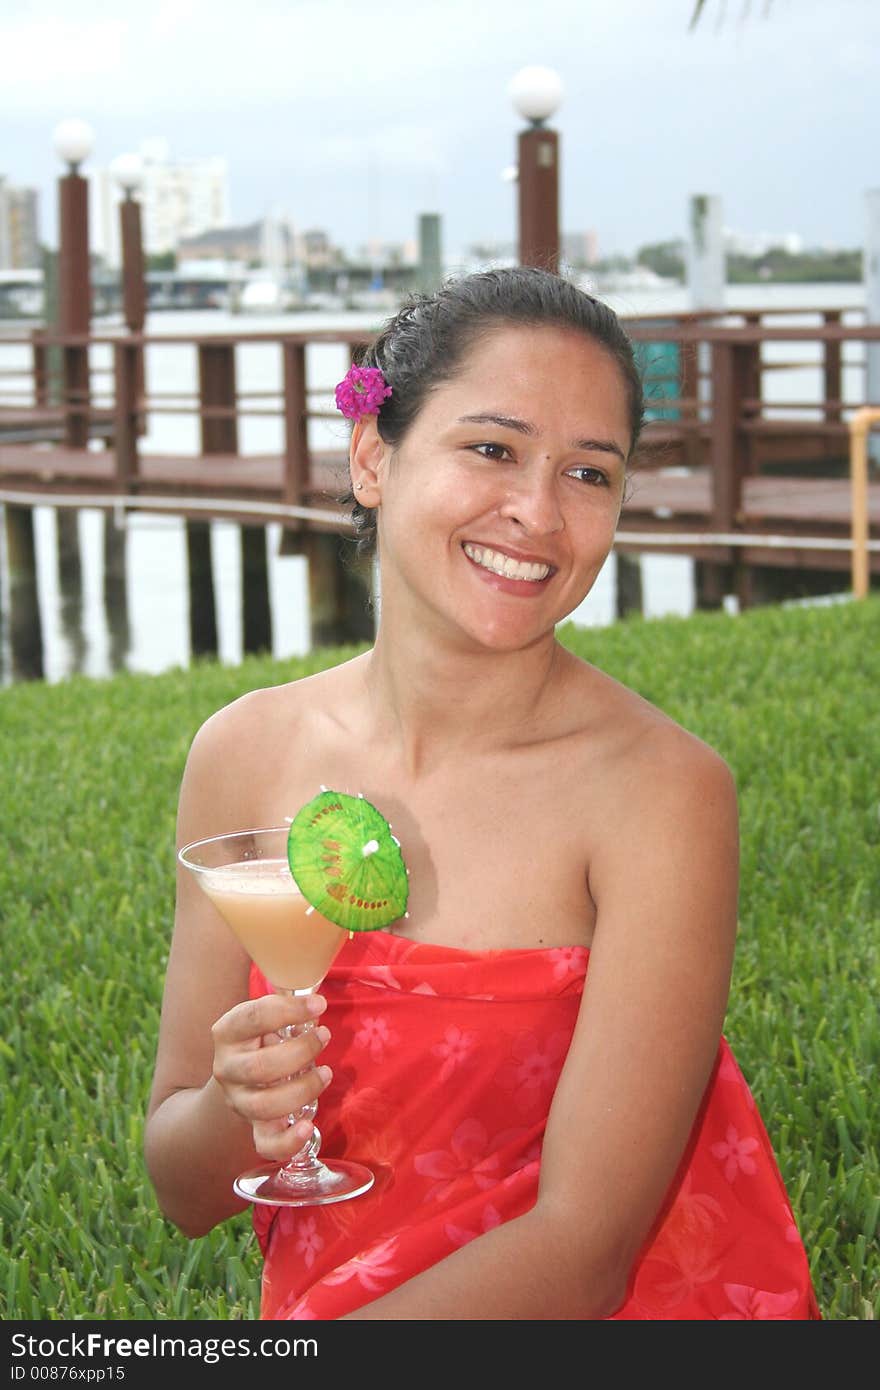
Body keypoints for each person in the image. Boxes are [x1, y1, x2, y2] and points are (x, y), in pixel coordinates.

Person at [144, 266, 821, 1320]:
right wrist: (245, 1108)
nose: (537, 513)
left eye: (589, 474)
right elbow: (182, 1190)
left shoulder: (658, 793)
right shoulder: (245, 751)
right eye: (493, 449)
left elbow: (584, 1247)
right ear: (374, 456)